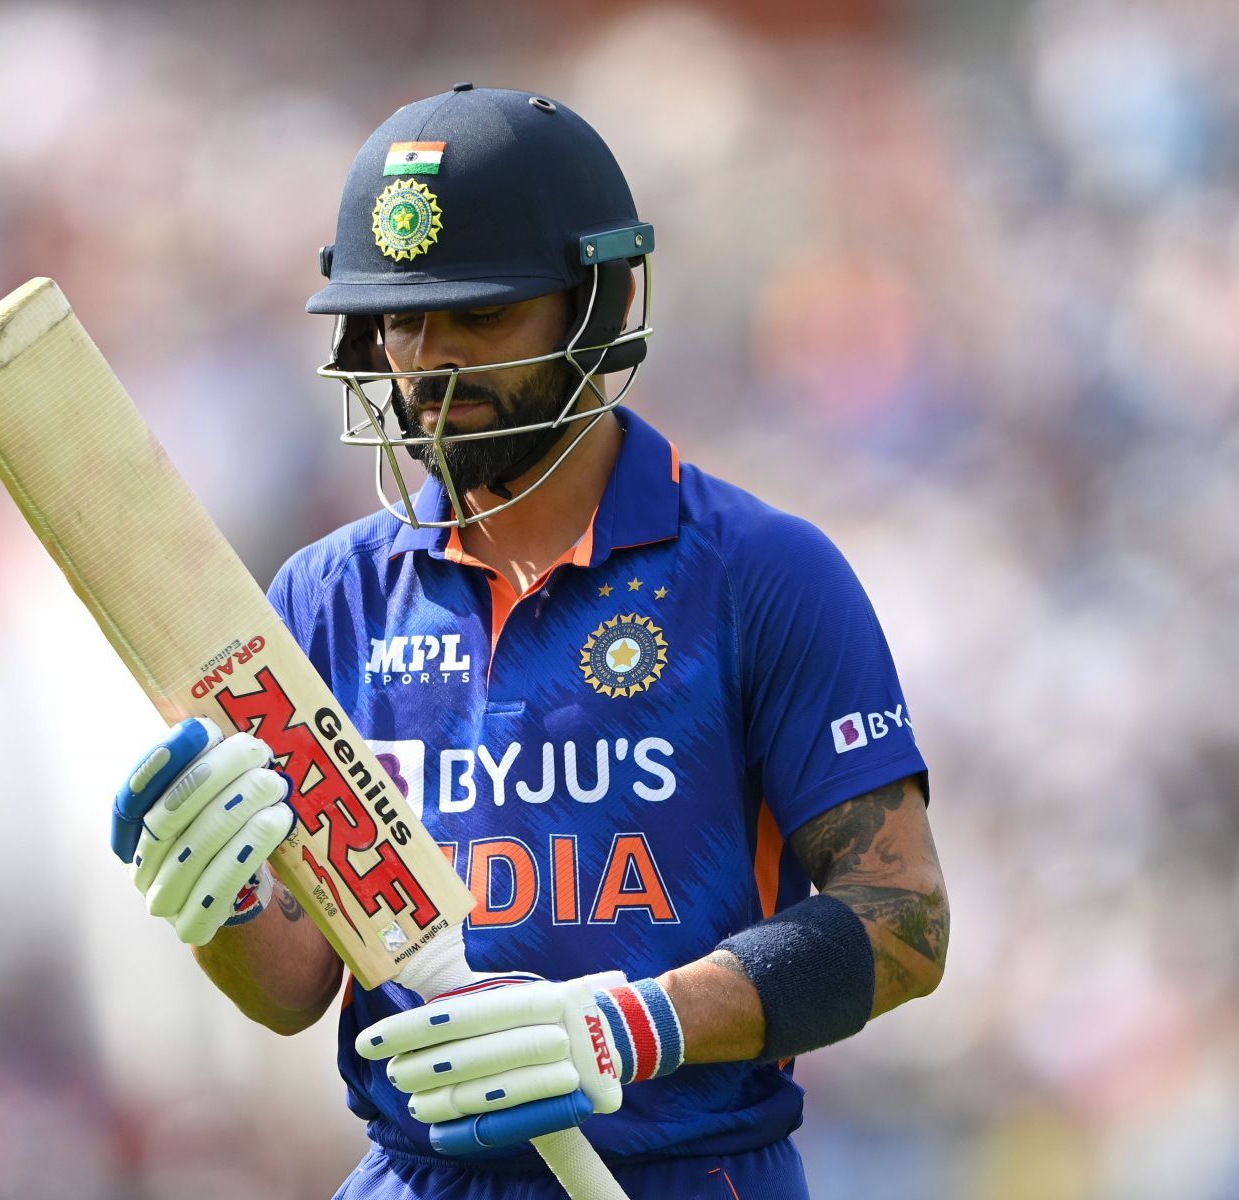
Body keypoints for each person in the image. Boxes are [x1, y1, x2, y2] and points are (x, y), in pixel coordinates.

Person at [107, 84, 948, 1199]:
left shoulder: (761, 575)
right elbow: (297, 983)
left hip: (688, 1175)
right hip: (416, 1178)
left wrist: (629, 1029)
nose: (429, 363)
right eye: (401, 321)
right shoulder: (325, 598)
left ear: (600, 305)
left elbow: (903, 918)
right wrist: (220, 905)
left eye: (482, 316)